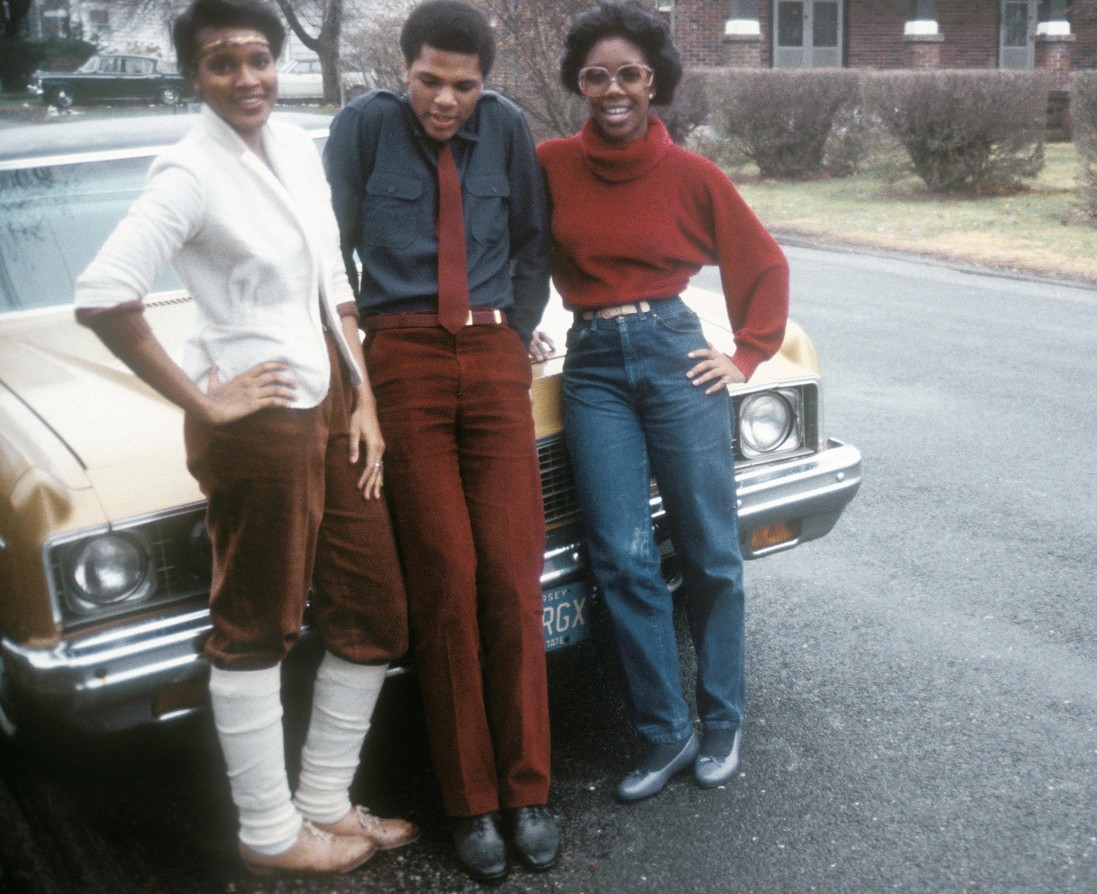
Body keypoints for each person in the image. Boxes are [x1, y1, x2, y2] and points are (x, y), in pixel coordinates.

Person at [72, 0, 418, 878]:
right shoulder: (187, 172)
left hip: (332, 399)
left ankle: (327, 801)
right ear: (194, 73)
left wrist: (365, 399)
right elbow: (105, 292)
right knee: (257, 623)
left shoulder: (298, 146)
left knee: (375, 608)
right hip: (258, 422)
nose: (247, 78)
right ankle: (268, 830)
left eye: (258, 59)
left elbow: (332, 279)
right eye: (223, 63)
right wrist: (205, 399)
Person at [323, 0, 558, 881]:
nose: (447, 101)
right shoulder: (365, 128)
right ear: (405, 66)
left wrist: (511, 328)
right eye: (431, 80)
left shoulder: (507, 130)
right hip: (403, 355)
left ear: (485, 81)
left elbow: (533, 241)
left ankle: (529, 788)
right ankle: (471, 803)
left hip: (493, 355)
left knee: (510, 572)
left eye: (464, 85)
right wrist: (358, 363)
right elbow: (327, 251)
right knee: (447, 581)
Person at [537, 0, 789, 803]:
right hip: (593, 367)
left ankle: (721, 718)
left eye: (631, 74)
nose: (614, 90)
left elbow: (765, 264)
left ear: (655, 82)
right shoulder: (547, 164)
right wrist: (516, 326)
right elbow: (508, 244)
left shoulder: (692, 175)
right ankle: (662, 731)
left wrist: (744, 353)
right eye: (597, 76)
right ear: (580, 83)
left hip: (674, 353)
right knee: (621, 556)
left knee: (709, 548)